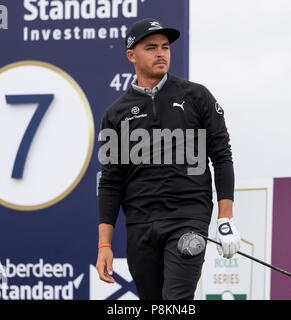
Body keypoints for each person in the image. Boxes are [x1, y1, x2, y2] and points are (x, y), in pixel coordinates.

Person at [96, 18, 241, 300]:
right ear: (131, 56)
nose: (161, 53)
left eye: (165, 47)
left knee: (176, 300)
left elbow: (222, 156)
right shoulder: (115, 113)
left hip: (188, 218)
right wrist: (104, 245)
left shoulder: (197, 96)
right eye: (151, 47)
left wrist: (226, 218)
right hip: (140, 224)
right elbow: (111, 182)